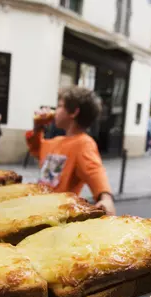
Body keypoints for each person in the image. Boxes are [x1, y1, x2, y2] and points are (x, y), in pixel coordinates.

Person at [26, 86, 115, 215]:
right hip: (39, 210)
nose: (55, 111)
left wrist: (106, 198)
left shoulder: (83, 143)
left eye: (60, 106)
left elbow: (94, 171)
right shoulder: (56, 141)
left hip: (58, 216)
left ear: (74, 112)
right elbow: (36, 150)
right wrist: (37, 127)